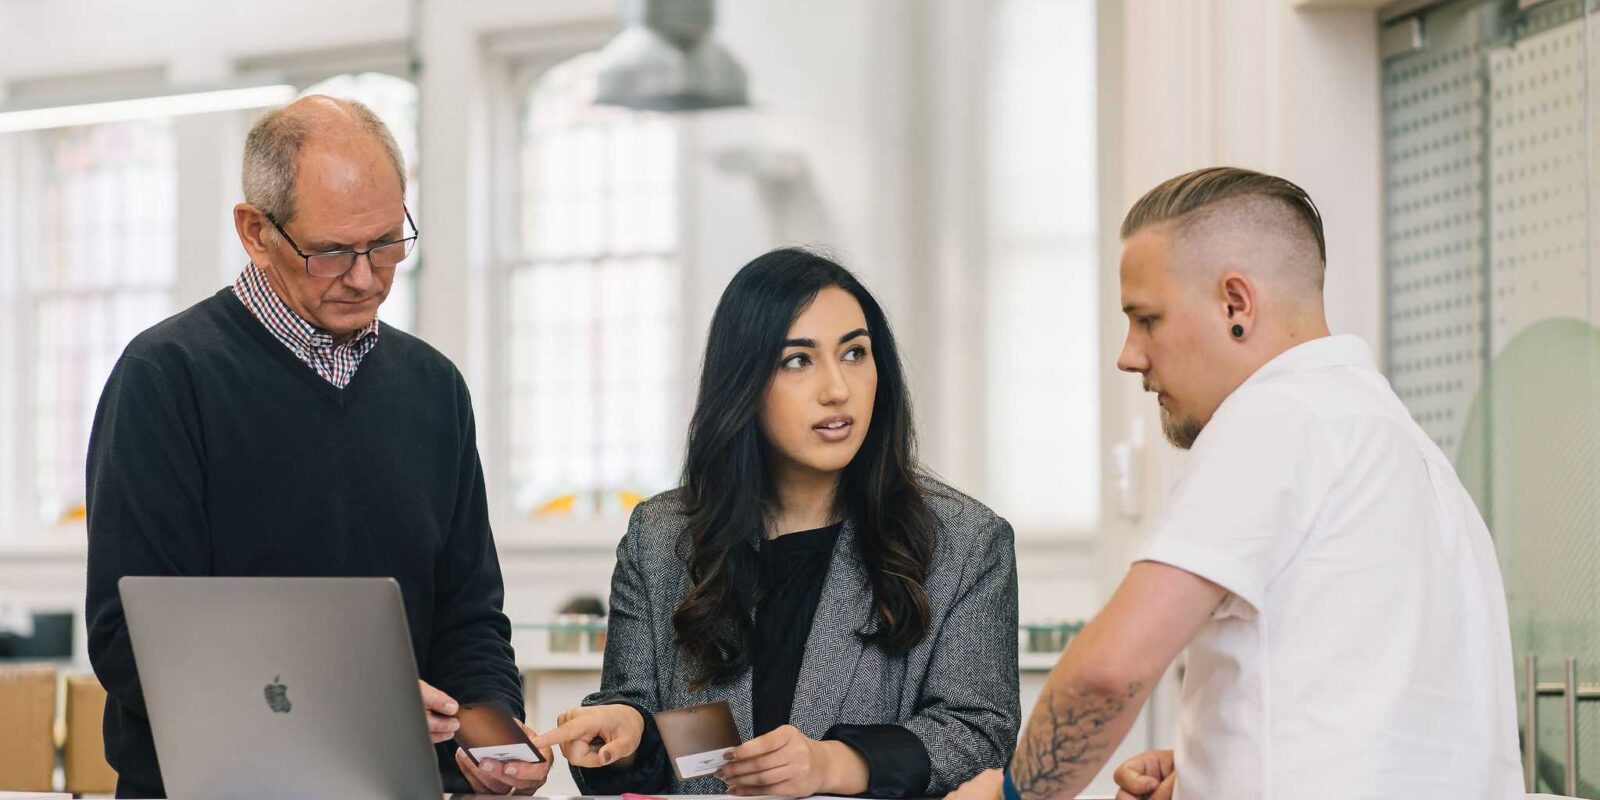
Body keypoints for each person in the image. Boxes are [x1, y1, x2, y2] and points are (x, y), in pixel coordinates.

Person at [947, 167, 1521, 800]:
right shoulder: (1407, 450)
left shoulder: (1276, 415)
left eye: (1147, 319)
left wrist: (1011, 795)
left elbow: (1108, 675)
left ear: (1235, 304)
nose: (1129, 354)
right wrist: (1213, 763)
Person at [84, 96, 550, 797]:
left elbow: (469, 617)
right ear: (254, 230)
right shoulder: (166, 379)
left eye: (388, 242)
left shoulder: (434, 389)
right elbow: (136, 641)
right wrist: (352, 704)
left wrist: (495, 741)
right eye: (332, 251)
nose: (366, 277)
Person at [533, 247, 1020, 798]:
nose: (837, 388)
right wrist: (624, 728)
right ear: (744, 383)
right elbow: (641, 731)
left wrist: (831, 764)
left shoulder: (965, 543)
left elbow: (978, 731)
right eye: (798, 361)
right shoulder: (662, 536)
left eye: (856, 354)